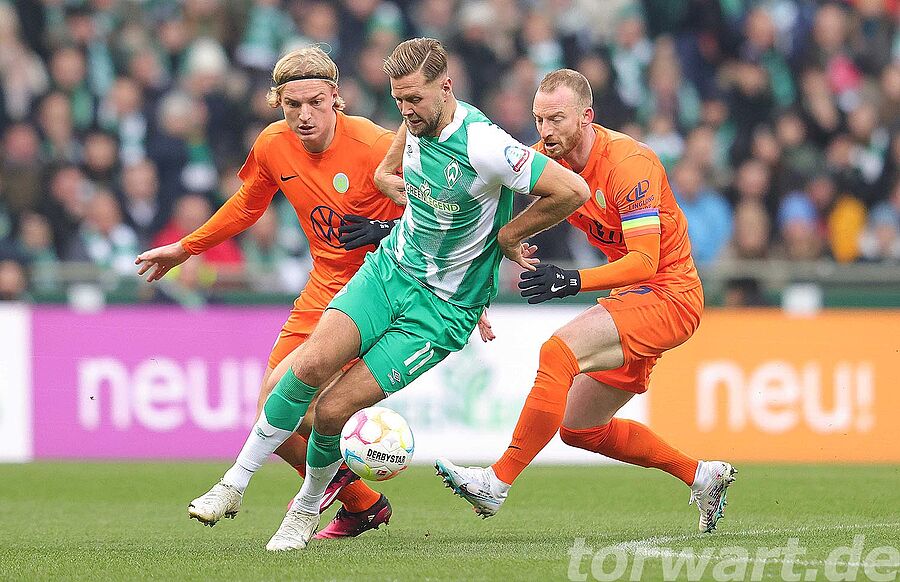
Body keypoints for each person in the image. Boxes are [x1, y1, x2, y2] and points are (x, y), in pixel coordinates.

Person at [186, 37, 590, 552]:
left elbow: (572, 190)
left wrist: (510, 236)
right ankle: (232, 485)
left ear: (446, 88)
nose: (406, 111)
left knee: (332, 410)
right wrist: (384, 171)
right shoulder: (414, 120)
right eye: (399, 100)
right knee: (307, 367)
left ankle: (305, 510)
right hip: (388, 272)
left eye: (415, 99)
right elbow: (405, 133)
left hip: (441, 310)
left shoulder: (486, 145)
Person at [434, 69, 736, 533]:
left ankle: (496, 482)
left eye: (556, 119)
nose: (546, 131)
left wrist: (571, 281)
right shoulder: (546, 160)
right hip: (633, 298)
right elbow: (488, 218)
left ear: (586, 116)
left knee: (558, 351)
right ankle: (701, 475)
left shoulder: (629, 164)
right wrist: (480, 293)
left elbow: (644, 261)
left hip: (670, 295)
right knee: (580, 428)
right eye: (539, 119)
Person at [135, 46, 404, 539]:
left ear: (336, 98)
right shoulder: (272, 144)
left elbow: (440, 210)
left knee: (308, 409)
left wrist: (404, 244)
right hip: (321, 291)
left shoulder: (375, 144)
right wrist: (186, 248)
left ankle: (316, 490)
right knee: (271, 417)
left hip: (378, 292)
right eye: (292, 104)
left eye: (315, 102)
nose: (304, 115)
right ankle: (360, 501)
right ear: (278, 102)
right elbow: (246, 206)